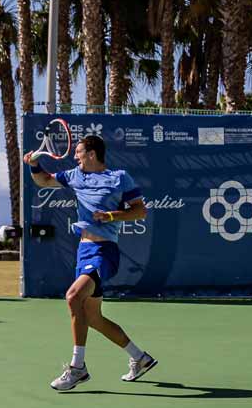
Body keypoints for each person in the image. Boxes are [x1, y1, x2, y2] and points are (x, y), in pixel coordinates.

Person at [26, 133, 155, 391]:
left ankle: (77, 368)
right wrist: (33, 165)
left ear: (92, 154)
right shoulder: (75, 175)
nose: (75, 157)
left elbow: (140, 210)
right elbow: (44, 181)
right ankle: (140, 357)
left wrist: (110, 215)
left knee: (73, 296)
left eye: (79, 153)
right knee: (93, 318)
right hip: (83, 252)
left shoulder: (119, 177)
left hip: (104, 251)